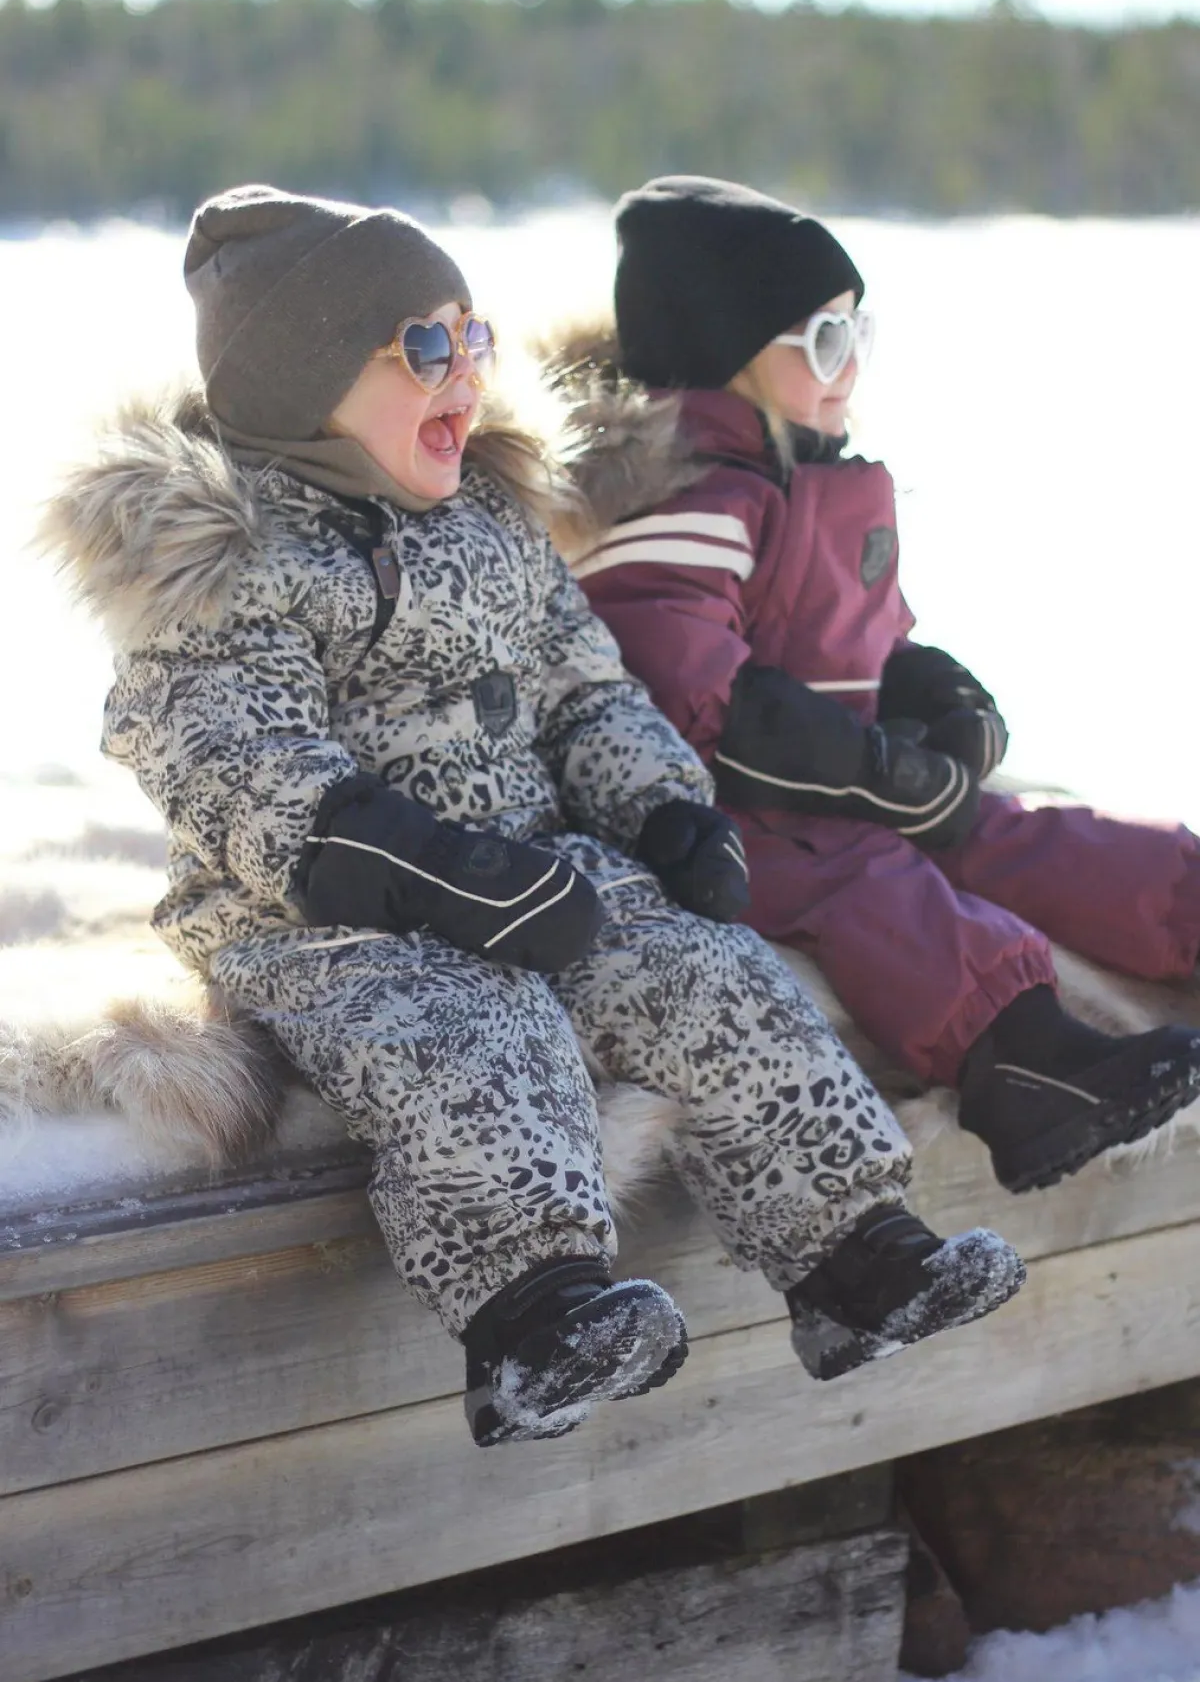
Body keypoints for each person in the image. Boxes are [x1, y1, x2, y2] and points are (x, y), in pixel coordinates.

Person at [42, 184, 1024, 1447]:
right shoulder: (225, 560)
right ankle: (534, 1317)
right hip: (323, 914)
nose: (466, 376)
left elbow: (580, 689)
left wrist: (663, 808)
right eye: (425, 348)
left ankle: (856, 1257)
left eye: (474, 337)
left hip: (536, 866)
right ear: (301, 381)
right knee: (477, 1027)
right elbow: (234, 759)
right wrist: (420, 868)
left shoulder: (494, 524)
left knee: (709, 974)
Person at [564, 174, 1200, 1196]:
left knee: (1008, 831)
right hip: (725, 816)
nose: (851, 364)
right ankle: (1024, 1063)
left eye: (859, 331)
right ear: (727, 354)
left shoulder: (813, 475)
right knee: (869, 882)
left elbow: (874, 641)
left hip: (840, 782)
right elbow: (691, 694)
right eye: (823, 341)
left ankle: (1182, 909)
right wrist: (874, 774)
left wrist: (945, 706)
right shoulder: (678, 500)